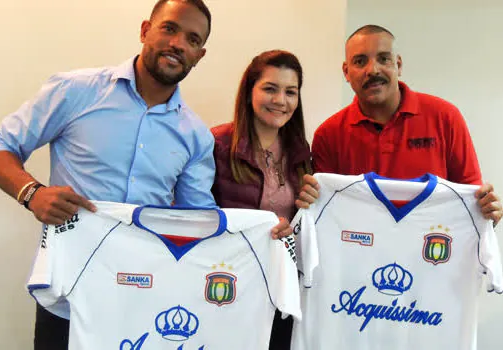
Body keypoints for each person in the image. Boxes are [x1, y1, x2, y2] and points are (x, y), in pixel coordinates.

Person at [0, 0, 215, 348]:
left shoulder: (196, 135)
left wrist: (265, 236)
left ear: (199, 55)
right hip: (67, 298)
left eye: (192, 40)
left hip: (143, 300)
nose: (179, 43)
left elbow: (198, 220)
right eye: (169, 28)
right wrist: (31, 193)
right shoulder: (77, 91)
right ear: (145, 30)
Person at [296, 24, 502, 225]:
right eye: (360, 61)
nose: (372, 69)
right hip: (360, 255)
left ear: (399, 65)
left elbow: (472, 201)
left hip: (432, 253)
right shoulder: (328, 134)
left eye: (384, 59)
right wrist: (310, 202)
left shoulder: (445, 117)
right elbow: (327, 215)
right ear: (346, 71)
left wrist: (487, 214)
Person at [211, 50, 311, 350]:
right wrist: (262, 226)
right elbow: (199, 215)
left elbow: (305, 223)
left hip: (282, 284)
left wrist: (307, 209)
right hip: (229, 282)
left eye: (290, 92)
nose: (281, 100)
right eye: (270, 88)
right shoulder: (218, 144)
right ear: (249, 91)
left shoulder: (300, 150)